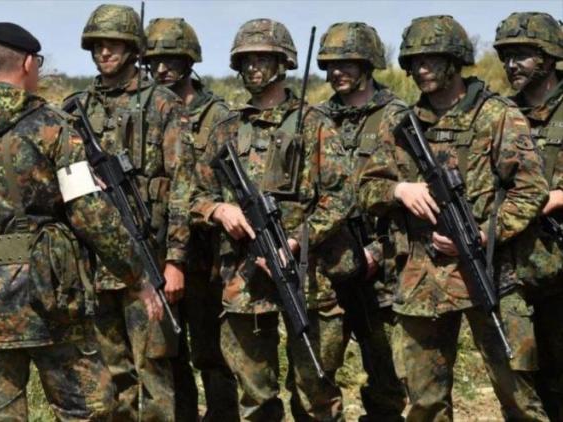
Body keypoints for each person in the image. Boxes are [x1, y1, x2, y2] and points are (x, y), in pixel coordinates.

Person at [0, 22, 160, 420]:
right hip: (53, 301)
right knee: (87, 413)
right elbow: (90, 213)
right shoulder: (53, 127)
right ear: (27, 63)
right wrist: (137, 276)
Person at [359, 14, 549, 421]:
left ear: (455, 61)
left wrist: (486, 233)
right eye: (414, 61)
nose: (420, 69)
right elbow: (366, 187)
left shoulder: (497, 116)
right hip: (421, 279)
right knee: (425, 404)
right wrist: (399, 190)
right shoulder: (400, 122)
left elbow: (531, 189)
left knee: (519, 397)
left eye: (430, 59)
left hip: (490, 271)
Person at [191, 18, 357, 421]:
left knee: (315, 390)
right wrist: (219, 210)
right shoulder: (226, 129)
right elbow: (193, 195)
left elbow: (341, 195)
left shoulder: (314, 124)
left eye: (263, 59)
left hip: (306, 276)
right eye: (246, 60)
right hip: (243, 279)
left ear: (284, 64)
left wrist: (297, 239)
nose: (253, 67)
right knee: (255, 397)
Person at [65, 5, 195, 420]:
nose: (104, 52)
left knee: (153, 369)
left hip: (147, 259)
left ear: (133, 48)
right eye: (98, 45)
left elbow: (182, 186)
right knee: (111, 374)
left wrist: (175, 260)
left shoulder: (162, 104)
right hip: (95, 262)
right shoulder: (75, 109)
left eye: (114, 44)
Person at [143, 17, 239, 422]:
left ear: (190, 62)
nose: (162, 69)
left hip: (206, 256)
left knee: (211, 352)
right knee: (167, 353)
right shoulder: (147, 110)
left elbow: (232, 183)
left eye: (172, 60)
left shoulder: (218, 116)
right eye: (154, 61)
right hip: (157, 249)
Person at [314, 21, 407, 421]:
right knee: (319, 365)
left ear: (368, 64)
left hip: (380, 264)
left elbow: (409, 192)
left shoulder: (396, 115)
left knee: (386, 369)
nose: (337, 72)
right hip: (328, 261)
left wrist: (379, 249)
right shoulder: (316, 117)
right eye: (331, 65)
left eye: (347, 63)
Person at [494, 12, 563, 420]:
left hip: (558, 266)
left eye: (522, 55)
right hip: (513, 267)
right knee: (518, 378)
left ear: (549, 57)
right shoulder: (501, 113)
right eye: (506, 56)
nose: (511, 65)